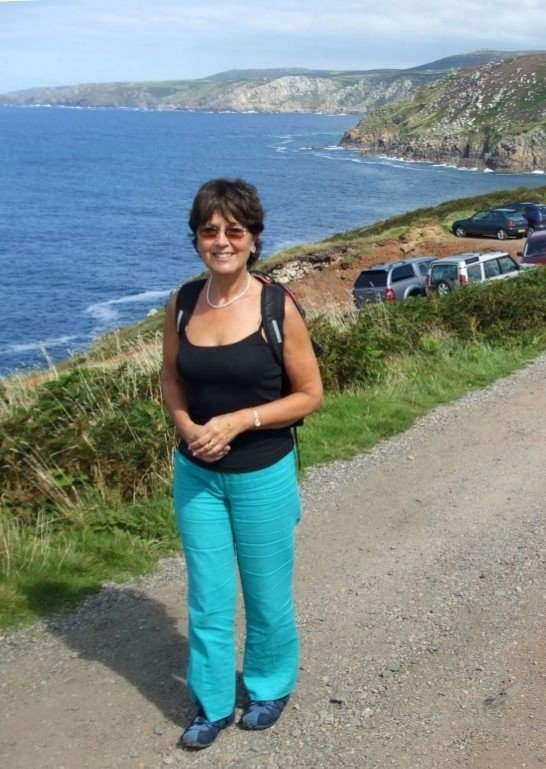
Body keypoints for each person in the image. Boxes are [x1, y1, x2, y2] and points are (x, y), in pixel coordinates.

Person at [160, 178, 323, 749]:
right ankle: (211, 702)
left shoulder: (278, 305)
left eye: (235, 230)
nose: (222, 241)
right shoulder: (182, 303)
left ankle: (270, 684)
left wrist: (239, 421)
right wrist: (187, 429)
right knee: (206, 595)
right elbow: (172, 380)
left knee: (265, 591)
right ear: (196, 239)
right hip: (197, 475)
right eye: (210, 231)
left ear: (254, 238)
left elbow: (309, 395)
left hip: (262, 473)